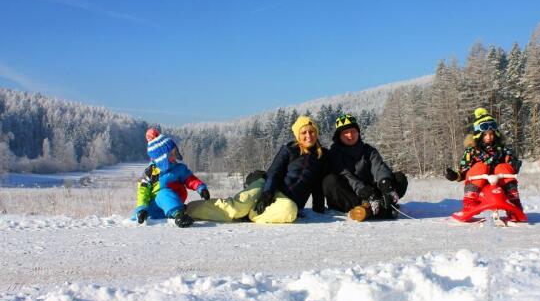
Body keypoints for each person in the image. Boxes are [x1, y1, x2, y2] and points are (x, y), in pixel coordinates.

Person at [187, 115, 327, 223]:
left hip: (287, 200)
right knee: (237, 207)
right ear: (298, 135)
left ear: (316, 133)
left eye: (312, 131)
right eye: (304, 133)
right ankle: (188, 210)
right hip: (265, 186)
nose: (308, 135)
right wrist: (267, 194)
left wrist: (318, 208)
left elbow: (318, 184)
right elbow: (274, 172)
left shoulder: (321, 157)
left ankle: (252, 215)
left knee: (290, 211)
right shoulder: (289, 149)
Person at [323, 113, 408, 221]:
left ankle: (383, 203)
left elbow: (379, 167)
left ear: (358, 132)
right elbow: (347, 176)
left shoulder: (368, 150)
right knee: (330, 181)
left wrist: (385, 184)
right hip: (351, 195)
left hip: (372, 193)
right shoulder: (334, 154)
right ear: (339, 136)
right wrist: (365, 192)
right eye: (345, 133)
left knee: (399, 178)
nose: (350, 135)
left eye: (353, 131)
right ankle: (370, 208)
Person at [445, 107, 523, 217]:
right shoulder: (472, 150)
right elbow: (465, 169)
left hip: (499, 184)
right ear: (479, 135)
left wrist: (514, 165)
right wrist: (456, 176)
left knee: (502, 167)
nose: (489, 137)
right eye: (485, 134)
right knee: (481, 166)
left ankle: (514, 203)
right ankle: (469, 203)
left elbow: (509, 162)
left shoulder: (502, 149)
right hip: (479, 185)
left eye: (491, 134)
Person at [135, 128, 209, 228]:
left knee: (165, 194)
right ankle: (179, 215)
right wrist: (141, 209)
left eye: (175, 153)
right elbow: (142, 190)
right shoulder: (150, 172)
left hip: (174, 204)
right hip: (155, 207)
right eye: (171, 154)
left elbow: (190, 179)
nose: (174, 157)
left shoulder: (179, 169)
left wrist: (201, 188)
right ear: (162, 158)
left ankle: (179, 214)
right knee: (162, 194)